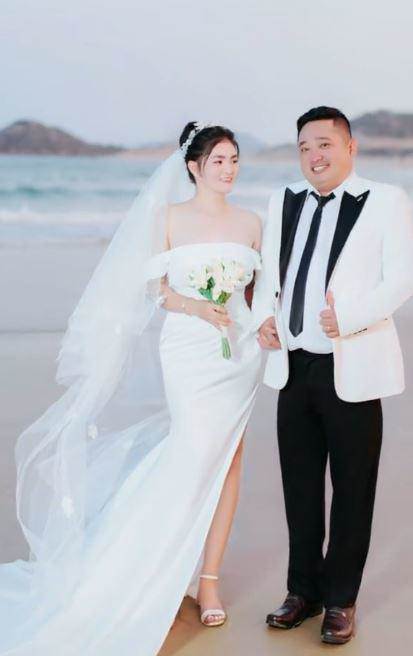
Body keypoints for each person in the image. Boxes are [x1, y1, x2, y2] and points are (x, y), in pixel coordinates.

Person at [0, 122, 262, 655]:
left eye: (234, 160)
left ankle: (208, 580)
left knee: (231, 458)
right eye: (218, 160)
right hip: (188, 350)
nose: (228, 169)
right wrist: (195, 306)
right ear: (193, 167)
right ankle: (144, 567)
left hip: (238, 356)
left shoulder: (252, 222)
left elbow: (259, 293)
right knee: (190, 454)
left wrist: (256, 328)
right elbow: (154, 289)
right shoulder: (168, 218)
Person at [253, 106, 413, 645]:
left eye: (324, 144)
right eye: (304, 147)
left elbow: (402, 277)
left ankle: (341, 600)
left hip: (352, 365)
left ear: (349, 147)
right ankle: (303, 591)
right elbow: (269, 275)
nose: (314, 156)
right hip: (293, 366)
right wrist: (263, 319)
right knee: (299, 487)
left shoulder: (386, 200)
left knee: (352, 489)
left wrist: (350, 317)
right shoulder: (283, 200)